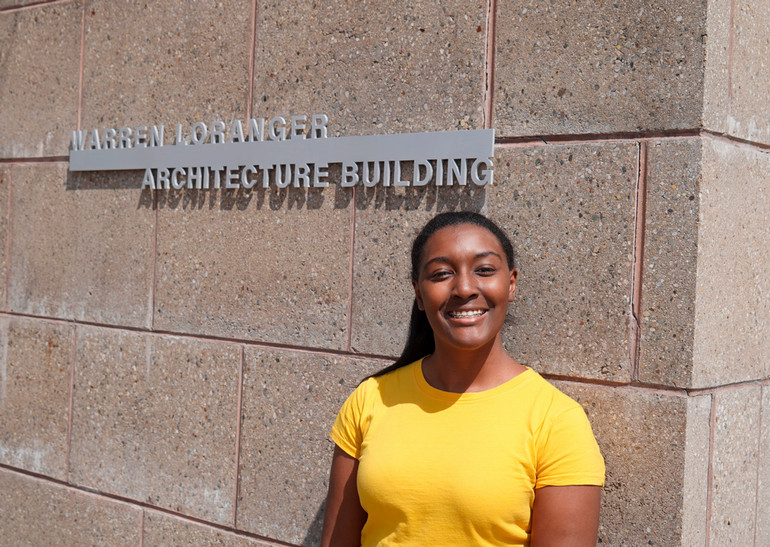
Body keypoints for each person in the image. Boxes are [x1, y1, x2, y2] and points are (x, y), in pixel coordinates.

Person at [321, 211, 605, 546]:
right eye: (441, 274)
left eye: (484, 270)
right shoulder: (371, 398)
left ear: (511, 283)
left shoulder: (556, 421)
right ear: (419, 293)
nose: (465, 288)